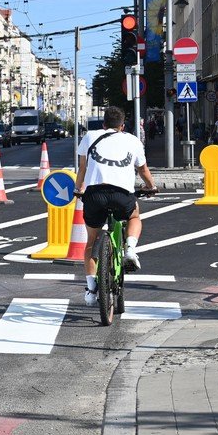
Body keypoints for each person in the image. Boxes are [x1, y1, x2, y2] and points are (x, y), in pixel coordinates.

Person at [73, 106, 157, 306]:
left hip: (95, 195)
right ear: (122, 125)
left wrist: (78, 189)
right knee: (134, 217)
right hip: (122, 194)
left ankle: (91, 290)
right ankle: (129, 249)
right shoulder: (133, 140)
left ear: (103, 124)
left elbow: (82, 168)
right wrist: (151, 187)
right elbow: (142, 169)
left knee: (91, 243)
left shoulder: (90, 136)